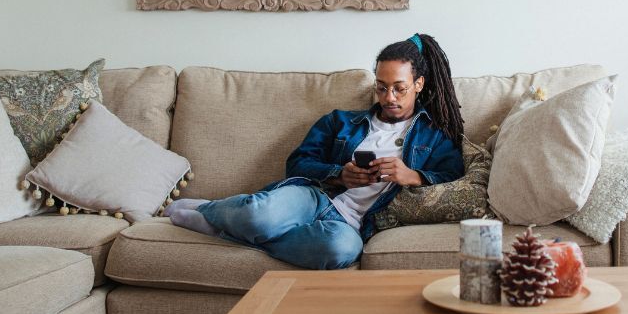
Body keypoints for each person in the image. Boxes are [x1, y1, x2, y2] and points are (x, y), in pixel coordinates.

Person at [165, 33, 465, 270]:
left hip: (352, 225)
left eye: (399, 88)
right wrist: (339, 175)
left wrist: (412, 176)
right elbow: (297, 163)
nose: (389, 97)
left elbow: (455, 177)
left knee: (339, 251)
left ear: (418, 84)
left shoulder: (435, 135)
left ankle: (222, 229)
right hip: (315, 197)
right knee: (258, 215)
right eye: (381, 87)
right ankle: (209, 209)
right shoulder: (340, 122)